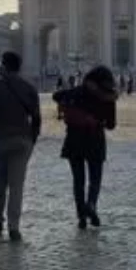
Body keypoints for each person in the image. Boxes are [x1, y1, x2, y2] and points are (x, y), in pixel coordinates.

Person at [0, 51, 41, 242]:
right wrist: (32, 139)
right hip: (22, 140)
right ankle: (14, 227)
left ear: (3, 66)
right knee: (17, 186)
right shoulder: (29, 88)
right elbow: (36, 118)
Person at [54, 66, 118, 230]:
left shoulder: (75, 92)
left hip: (74, 141)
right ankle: (91, 205)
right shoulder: (107, 98)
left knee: (78, 181)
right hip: (95, 140)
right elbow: (111, 125)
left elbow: (57, 96)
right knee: (95, 179)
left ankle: (81, 217)